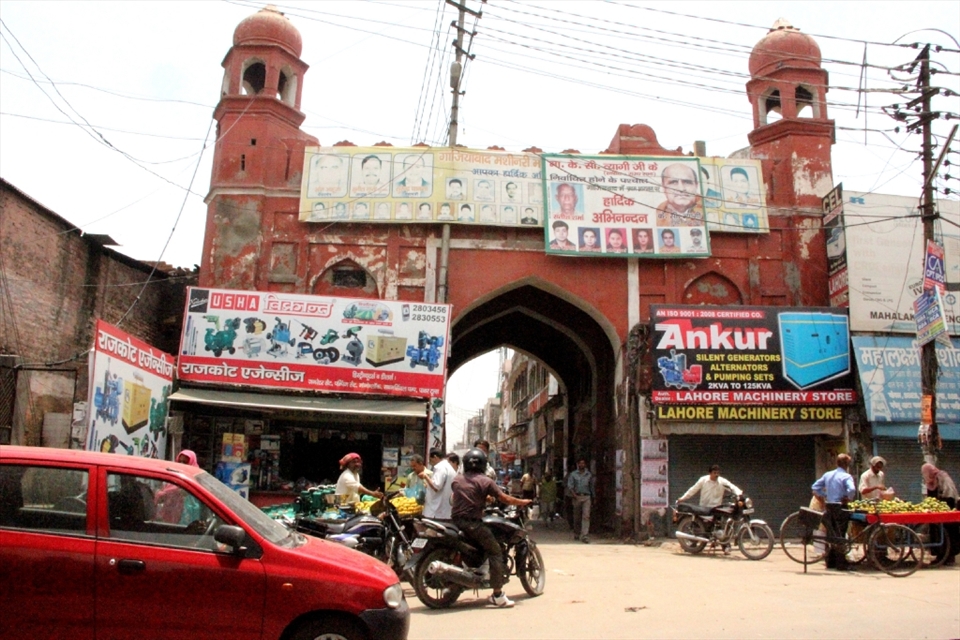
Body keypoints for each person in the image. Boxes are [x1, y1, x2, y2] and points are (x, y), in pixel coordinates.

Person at [451, 447, 532, 608]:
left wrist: (484, 499)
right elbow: (504, 499)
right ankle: (497, 594)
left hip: (456, 521)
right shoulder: (486, 481)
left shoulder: (457, 480)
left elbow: (461, 496)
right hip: (472, 524)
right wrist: (523, 502)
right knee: (495, 552)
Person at [678, 464, 742, 554]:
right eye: (714, 473)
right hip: (703, 508)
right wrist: (683, 498)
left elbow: (732, 486)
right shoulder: (703, 480)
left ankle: (725, 546)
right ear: (710, 473)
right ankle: (693, 544)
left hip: (716, 509)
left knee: (721, 526)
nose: (716, 475)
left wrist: (740, 493)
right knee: (699, 527)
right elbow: (693, 489)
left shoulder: (722, 481)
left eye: (718, 473)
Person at [811, 454, 856, 570]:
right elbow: (851, 489)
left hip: (829, 506)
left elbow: (815, 487)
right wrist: (848, 497)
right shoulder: (846, 476)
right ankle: (841, 564)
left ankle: (830, 562)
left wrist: (825, 496)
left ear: (837, 463)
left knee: (831, 534)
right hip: (840, 507)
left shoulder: (828, 475)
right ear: (846, 465)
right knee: (840, 534)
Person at [922, 463, 959, 565]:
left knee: (949, 531)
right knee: (935, 531)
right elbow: (930, 495)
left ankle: (950, 557)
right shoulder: (930, 480)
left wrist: (941, 504)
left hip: (948, 507)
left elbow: (949, 493)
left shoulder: (943, 477)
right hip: (937, 510)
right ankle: (940, 555)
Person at [155, 450, 201, 524]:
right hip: (170, 517)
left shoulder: (194, 478)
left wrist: (165, 494)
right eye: (180, 461)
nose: (182, 464)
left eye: (185, 462)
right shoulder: (173, 477)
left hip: (186, 518)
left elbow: (183, 492)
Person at [566, 458, 594, 543]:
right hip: (577, 496)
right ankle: (577, 533)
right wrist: (575, 496)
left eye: (583, 463)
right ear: (578, 464)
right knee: (577, 517)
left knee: (586, 516)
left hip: (586, 497)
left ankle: (585, 535)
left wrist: (593, 496)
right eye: (580, 463)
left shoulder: (589, 475)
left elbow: (591, 487)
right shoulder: (573, 475)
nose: (582, 465)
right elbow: (570, 486)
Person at [422, 450, 454, 520]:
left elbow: (436, 486)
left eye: (430, 460)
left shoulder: (440, 467)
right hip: (445, 511)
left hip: (437, 511)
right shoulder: (448, 467)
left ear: (435, 457)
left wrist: (426, 477)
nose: (430, 463)